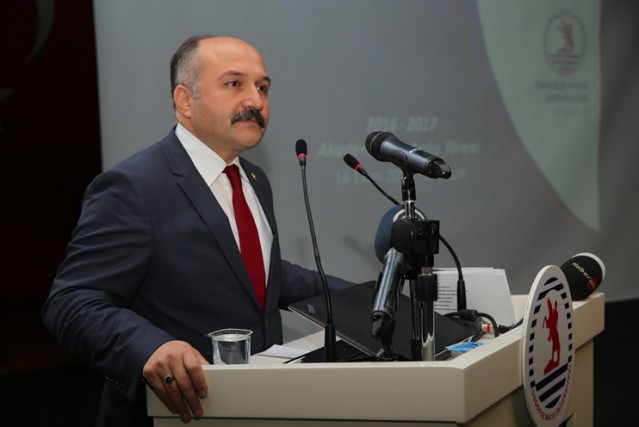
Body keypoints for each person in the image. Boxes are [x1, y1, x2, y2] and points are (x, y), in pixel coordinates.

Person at [42, 34, 354, 427]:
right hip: (175, 415)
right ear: (185, 101)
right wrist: (149, 347)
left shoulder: (253, 179)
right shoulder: (133, 186)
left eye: (263, 87)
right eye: (234, 84)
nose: (256, 101)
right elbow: (72, 301)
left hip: (257, 407)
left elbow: (261, 275)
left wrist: (369, 300)